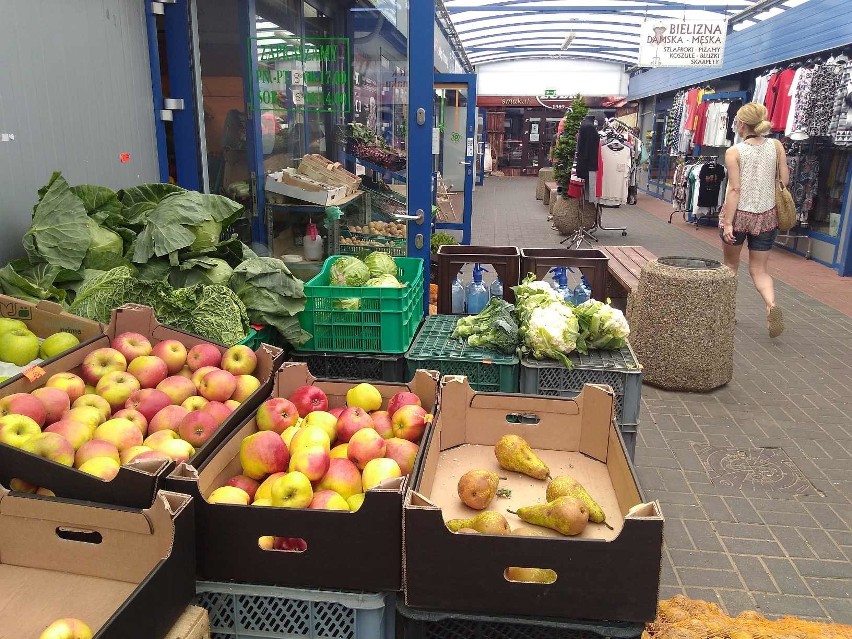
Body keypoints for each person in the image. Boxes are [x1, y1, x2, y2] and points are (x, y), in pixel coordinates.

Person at [718, 103, 789, 338]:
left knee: (730, 266)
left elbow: (735, 189)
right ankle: (771, 305)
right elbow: (784, 180)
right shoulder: (777, 146)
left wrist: (728, 222)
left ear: (741, 124)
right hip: (767, 215)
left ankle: (726, 314)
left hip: (739, 215)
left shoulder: (734, 151)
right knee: (759, 269)